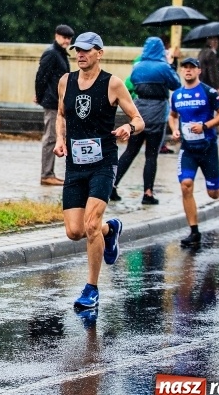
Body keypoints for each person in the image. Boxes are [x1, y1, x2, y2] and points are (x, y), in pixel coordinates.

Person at [53, 31, 144, 310]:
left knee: (90, 224)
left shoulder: (113, 84)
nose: (80, 55)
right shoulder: (65, 81)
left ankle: (91, 288)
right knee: (74, 231)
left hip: (103, 163)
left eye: (87, 50)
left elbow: (138, 119)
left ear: (99, 53)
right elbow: (60, 114)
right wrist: (59, 138)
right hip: (75, 165)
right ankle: (110, 230)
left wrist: (128, 127)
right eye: (77, 50)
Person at [168, 57, 219, 248]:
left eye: (192, 68)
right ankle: (194, 232)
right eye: (185, 68)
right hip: (188, 149)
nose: (188, 71)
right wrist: (175, 130)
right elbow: (172, 116)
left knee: (213, 193)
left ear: (198, 71)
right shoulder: (177, 95)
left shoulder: (208, 92)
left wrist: (205, 126)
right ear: (181, 71)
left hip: (208, 148)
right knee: (186, 185)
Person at [111, 37, 181, 204]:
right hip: (158, 113)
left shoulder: (138, 67)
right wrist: (171, 64)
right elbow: (176, 84)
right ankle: (148, 193)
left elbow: (133, 83)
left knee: (130, 152)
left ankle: (112, 186)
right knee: (151, 155)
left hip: (139, 112)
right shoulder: (164, 67)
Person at [35, 24, 75, 186]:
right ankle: (46, 174)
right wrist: (39, 96)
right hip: (52, 101)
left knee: (54, 136)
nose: (67, 41)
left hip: (57, 100)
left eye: (69, 39)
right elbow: (41, 76)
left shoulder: (59, 53)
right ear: (57, 36)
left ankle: (49, 173)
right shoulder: (52, 54)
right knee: (51, 137)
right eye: (65, 38)